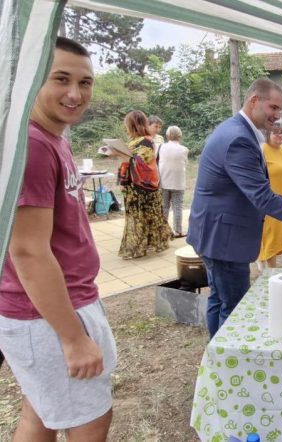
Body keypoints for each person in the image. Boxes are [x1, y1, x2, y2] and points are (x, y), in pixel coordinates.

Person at [0, 37, 116, 441]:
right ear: (32, 80)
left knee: (41, 415)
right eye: (61, 79)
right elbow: (28, 251)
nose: (75, 93)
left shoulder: (52, 137)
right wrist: (72, 337)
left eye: (85, 82)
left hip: (55, 306)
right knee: (90, 420)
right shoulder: (32, 145)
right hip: (47, 315)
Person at [187, 78, 282, 338]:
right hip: (224, 239)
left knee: (218, 299)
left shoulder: (236, 130)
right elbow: (263, 197)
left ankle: (215, 353)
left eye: (279, 110)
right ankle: (226, 362)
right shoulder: (239, 139)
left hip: (213, 233)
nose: (276, 115)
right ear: (254, 100)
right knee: (232, 307)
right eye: (273, 107)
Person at [118, 110, 172, 259]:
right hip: (133, 185)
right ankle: (143, 244)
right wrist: (122, 179)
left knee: (142, 216)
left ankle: (139, 246)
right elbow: (127, 161)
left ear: (132, 125)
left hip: (144, 185)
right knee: (138, 216)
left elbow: (141, 162)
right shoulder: (134, 141)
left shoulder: (146, 140)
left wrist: (123, 156)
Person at [258, 120, 282, 268]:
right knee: (271, 234)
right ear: (267, 133)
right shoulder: (262, 150)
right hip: (269, 200)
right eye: (276, 133)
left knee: (278, 232)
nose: (280, 135)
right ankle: (270, 270)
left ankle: (263, 259)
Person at [158, 125, 189, 238]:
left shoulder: (161, 147)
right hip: (178, 182)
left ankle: (163, 231)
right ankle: (178, 231)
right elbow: (185, 163)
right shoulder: (184, 149)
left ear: (167, 135)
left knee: (164, 207)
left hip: (164, 181)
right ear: (180, 136)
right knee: (177, 207)